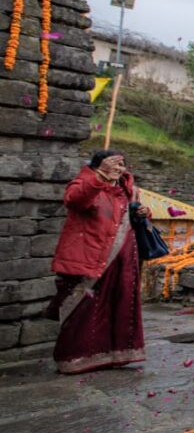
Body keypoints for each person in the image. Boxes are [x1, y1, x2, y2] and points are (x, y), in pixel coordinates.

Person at [48, 150, 148, 375]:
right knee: (82, 307)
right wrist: (99, 178)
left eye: (122, 164)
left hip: (123, 257)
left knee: (118, 305)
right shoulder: (84, 183)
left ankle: (112, 355)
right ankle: (73, 358)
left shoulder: (127, 190)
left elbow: (129, 219)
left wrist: (142, 213)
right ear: (96, 166)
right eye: (112, 164)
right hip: (90, 255)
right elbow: (75, 200)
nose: (119, 168)